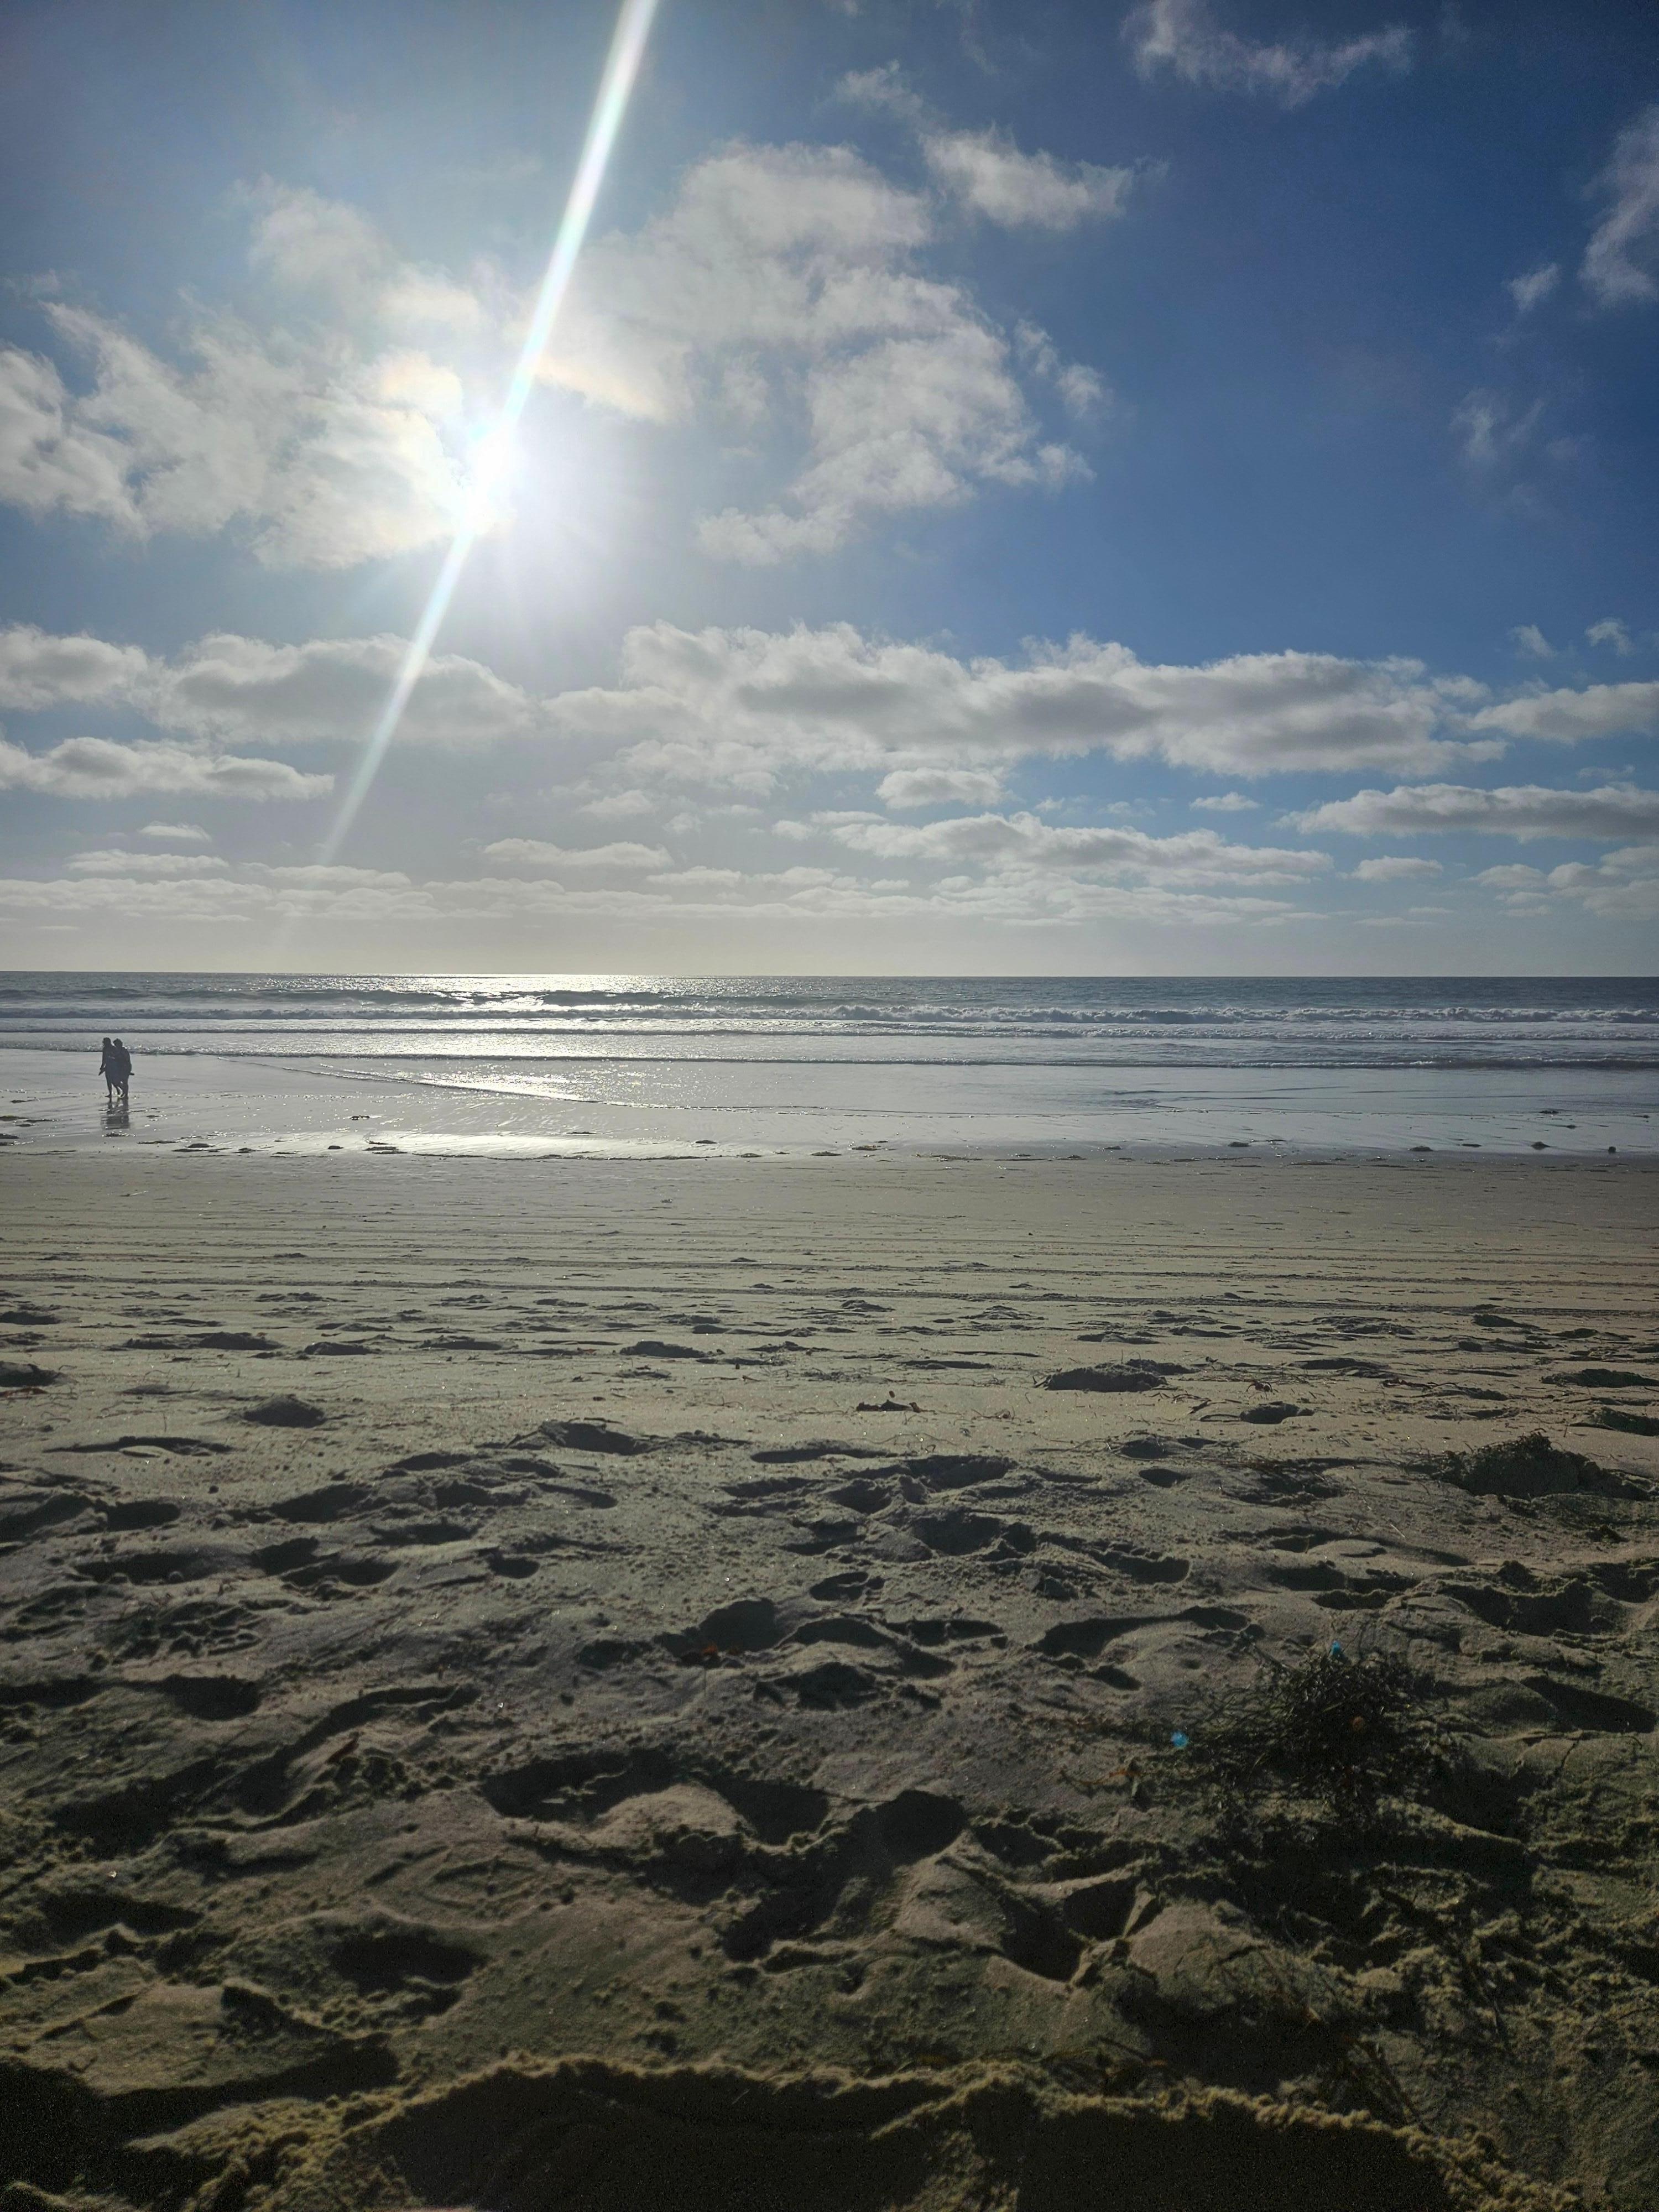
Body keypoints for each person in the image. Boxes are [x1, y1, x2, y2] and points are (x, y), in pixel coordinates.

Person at [109, 1037, 132, 1106]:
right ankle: (124, 1092)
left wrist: (128, 1069)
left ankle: (126, 1094)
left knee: (125, 1081)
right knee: (116, 1081)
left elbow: (125, 1060)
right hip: (120, 1068)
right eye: (115, 1045)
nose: (116, 1046)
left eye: (117, 1045)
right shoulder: (117, 1051)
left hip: (125, 1067)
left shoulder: (124, 1051)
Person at [98, 1036, 117, 1103]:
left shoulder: (113, 1048)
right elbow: (104, 1059)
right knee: (109, 1080)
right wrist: (102, 1067)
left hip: (113, 1066)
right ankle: (110, 1093)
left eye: (104, 1042)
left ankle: (119, 1090)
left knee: (114, 1081)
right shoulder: (105, 1049)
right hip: (108, 1066)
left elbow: (117, 1057)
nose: (103, 1043)